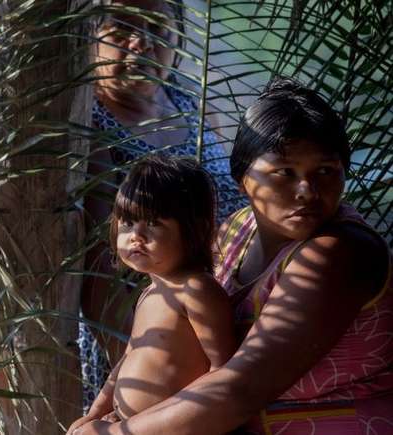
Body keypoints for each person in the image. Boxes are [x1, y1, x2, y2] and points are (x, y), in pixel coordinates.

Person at [73, 77, 392, 434]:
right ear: (242, 179)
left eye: (326, 171)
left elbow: (240, 388)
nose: (307, 190)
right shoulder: (238, 231)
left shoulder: (337, 252)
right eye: (285, 172)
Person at [79, 0, 247, 412]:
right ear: (88, 37)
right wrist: (152, 366)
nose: (142, 43)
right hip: (143, 348)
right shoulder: (89, 123)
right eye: (120, 29)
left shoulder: (188, 102)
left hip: (216, 328)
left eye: (158, 27)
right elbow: (99, 265)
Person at [69, 155, 237, 434]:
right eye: (127, 224)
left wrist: (141, 423)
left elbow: (223, 372)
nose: (136, 235)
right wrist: (96, 412)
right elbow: (130, 356)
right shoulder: (151, 291)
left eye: (154, 224)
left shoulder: (195, 290)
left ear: (195, 228)